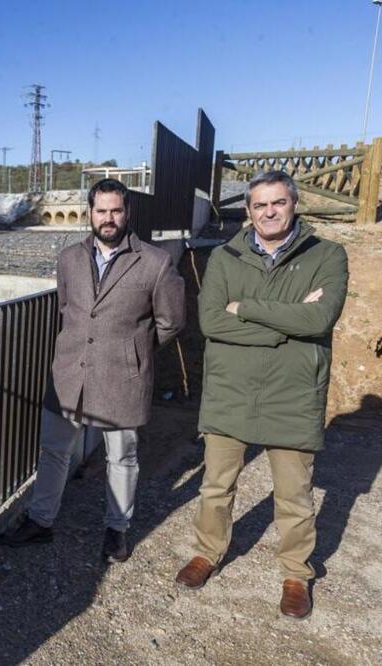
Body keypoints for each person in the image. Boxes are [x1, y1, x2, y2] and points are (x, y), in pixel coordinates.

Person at [174, 171, 348, 620]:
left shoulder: (326, 255)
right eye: (259, 205)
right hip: (231, 390)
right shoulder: (226, 257)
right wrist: (284, 327)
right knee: (216, 486)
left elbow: (319, 320)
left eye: (277, 203)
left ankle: (296, 573)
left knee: (294, 495)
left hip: (292, 393)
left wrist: (246, 309)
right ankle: (208, 552)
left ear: (294, 204)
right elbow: (212, 321)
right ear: (248, 211)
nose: (268, 212)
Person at [1, 178, 185, 562]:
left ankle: (116, 529)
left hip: (122, 378)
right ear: (90, 213)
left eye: (116, 210)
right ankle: (41, 522)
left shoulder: (155, 262)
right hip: (69, 374)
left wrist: (134, 352)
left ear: (127, 213)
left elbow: (171, 321)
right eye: (101, 211)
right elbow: (68, 309)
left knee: (121, 458)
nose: (108, 218)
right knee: (53, 451)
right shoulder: (69, 258)